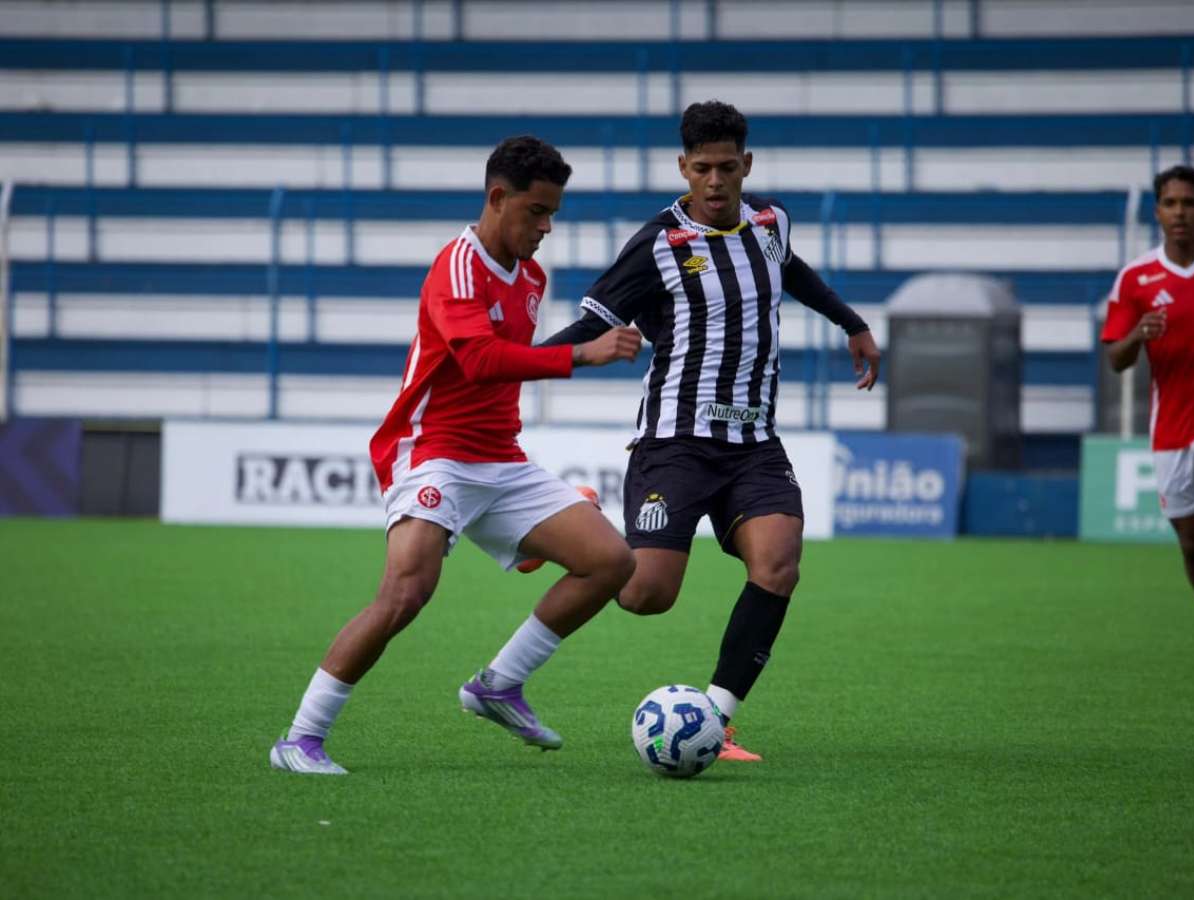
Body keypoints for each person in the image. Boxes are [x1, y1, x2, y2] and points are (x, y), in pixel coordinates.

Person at [270, 136, 643, 775]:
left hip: (501, 458)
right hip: (433, 452)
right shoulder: (459, 265)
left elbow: (507, 368)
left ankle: (499, 684)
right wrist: (583, 353)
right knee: (406, 593)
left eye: (553, 213)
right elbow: (478, 359)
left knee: (610, 561)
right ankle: (300, 739)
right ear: (497, 198)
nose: (546, 227)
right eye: (536, 211)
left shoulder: (531, 277)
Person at [541, 101, 882, 761]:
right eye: (703, 168)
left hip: (754, 445)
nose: (716, 181)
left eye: (728, 167)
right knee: (646, 595)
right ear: (683, 168)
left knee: (778, 564)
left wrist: (852, 323)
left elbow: (791, 269)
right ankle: (581, 529)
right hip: (676, 442)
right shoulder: (657, 244)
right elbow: (592, 321)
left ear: (746, 164)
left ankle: (716, 719)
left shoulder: (771, 222)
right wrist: (518, 367)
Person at [1102, 163, 1194, 597]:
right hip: (1172, 428)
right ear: (1157, 212)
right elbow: (1116, 360)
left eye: (1190, 203)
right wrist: (1137, 335)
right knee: (1192, 544)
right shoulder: (1136, 279)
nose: (1180, 212)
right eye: (1170, 203)